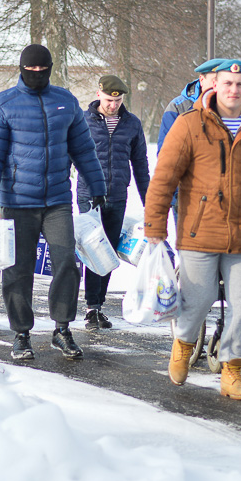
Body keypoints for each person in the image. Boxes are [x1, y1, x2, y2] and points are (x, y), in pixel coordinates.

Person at [145, 60, 241, 399]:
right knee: (197, 300)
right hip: (199, 232)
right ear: (215, 85)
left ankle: (232, 371)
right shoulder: (189, 125)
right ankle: (183, 343)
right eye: (227, 83)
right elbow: (164, 177)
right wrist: (155, 226)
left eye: (240, 84)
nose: (233, 90)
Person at [0, 44, 107, 361]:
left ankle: (62, 329)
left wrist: (98, 185)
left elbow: (84, 149)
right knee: (18, 269)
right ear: (21, 69)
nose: (36, 75)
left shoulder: (65, 102)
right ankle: (21, 334)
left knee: (66, 261)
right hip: (16, 200)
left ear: (50, 68)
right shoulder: (3, 104)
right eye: (30, 70)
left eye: (42, 70)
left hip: (57, 199)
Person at [77, 75, 150, 330]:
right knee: (92, 249)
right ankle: (90, 307)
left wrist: (149, 202)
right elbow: (67, 155)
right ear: (99, 95)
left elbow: (141, 165)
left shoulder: (131, 124)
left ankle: (98, 306)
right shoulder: (83, 122)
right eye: (109, 100)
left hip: (117, 195)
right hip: (88, 196)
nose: (113, 105)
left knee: (108, 252)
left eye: (118, 100)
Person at [157, 58, 226, 154]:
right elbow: (165, 153)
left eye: (224, 81)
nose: (218, 85)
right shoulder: (178, 108)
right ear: (202, 80)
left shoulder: (240, 109)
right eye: (214, 80)